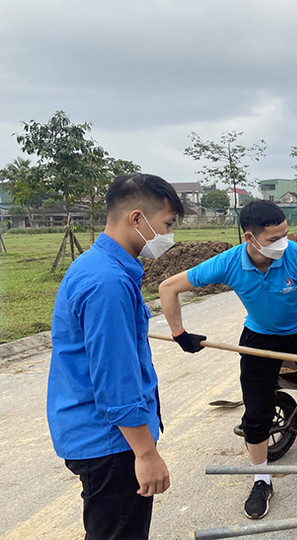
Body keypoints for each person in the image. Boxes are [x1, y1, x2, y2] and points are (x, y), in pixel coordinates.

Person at [158, 199, 297, 520]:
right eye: (273, 239)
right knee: (256, 415)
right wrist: (179, 334)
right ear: (249, 238)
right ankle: (261, 480)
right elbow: (168, 287)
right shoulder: (228, 263)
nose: (283, 243)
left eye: (285, 234)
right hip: (259, 336)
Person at [47, 173, 183, 540]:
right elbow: (115, 379)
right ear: (136, 219)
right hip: (111, 444)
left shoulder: (97, 265)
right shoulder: (108, 283)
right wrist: (145, 453)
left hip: (95, 433)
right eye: (167, 225)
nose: (170, 237)